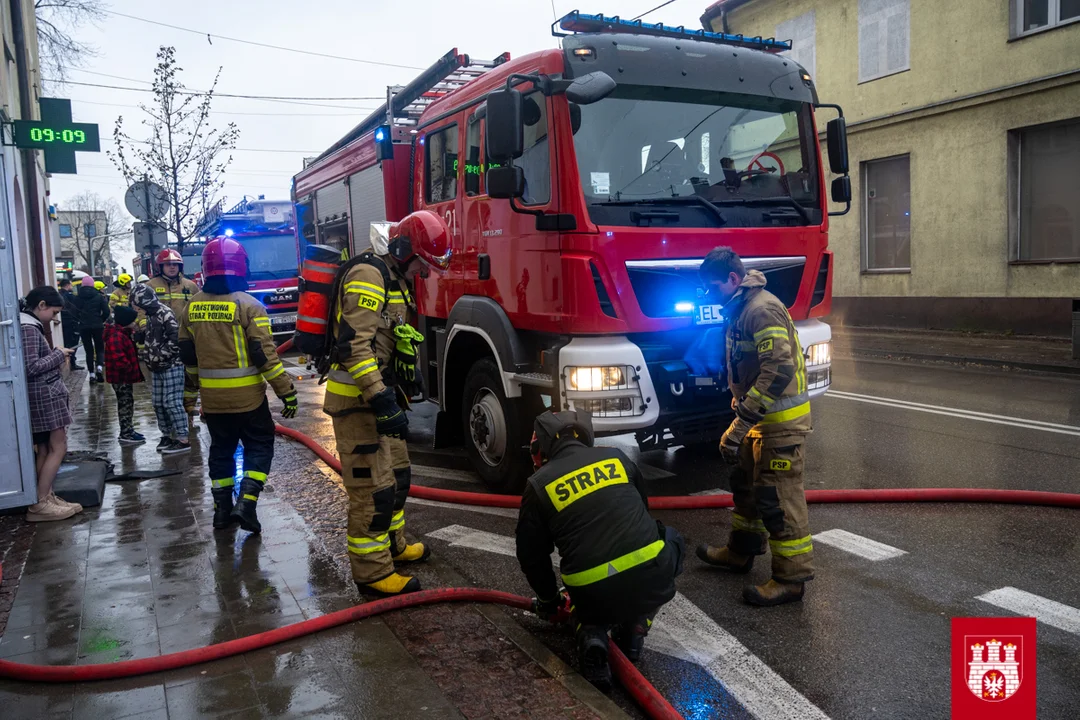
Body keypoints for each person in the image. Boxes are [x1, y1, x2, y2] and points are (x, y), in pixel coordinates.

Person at [516, 410, 683, 691]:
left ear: (541, 449)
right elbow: (642, 512)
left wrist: (548, 600)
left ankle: (591, 636)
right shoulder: (617, 458)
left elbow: (532, 556)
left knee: (589, 607)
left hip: (593, 597)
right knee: (671, 539)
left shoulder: (538, 484)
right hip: (654, 580)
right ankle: (635, 627)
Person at [695, 246, 814, 607]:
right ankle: (740, 552)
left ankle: (790, 580)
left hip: (779, 425)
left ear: (733, 279)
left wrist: (741, 422)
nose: (710, 296)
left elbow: (778, 370)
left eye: (713, 287)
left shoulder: (761, 310)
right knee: (746, 488)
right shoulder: (741, 308)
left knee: (777, 499)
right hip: (760, 421)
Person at [323, 226, 430, 596]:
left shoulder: (396, 277)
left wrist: (406, 363)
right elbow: (354, 346)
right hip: (357, 402)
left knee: (398, 476)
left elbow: (391, 332)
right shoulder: (369, 276)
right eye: (423, 263)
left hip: (381, 395)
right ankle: (372, 573)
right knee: (372, 490)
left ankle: (394, 546)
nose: (425, 272)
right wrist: (380, 397)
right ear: (402, 250)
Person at [178, 239, 297, 533]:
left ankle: (221, 512)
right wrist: (287, 393)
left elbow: (188, 359)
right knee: (259, 447)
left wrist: (189, 398)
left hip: (213, 402)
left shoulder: (191, 308)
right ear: (242, 267)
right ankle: (246, 503)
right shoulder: (250, 306)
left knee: (221, 452)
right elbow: (265, 356)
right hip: (249, 402)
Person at [20, 286, 83, 522]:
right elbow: (31, 367)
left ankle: (45, 496)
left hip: (44, 395)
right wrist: (58, 354)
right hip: (45, 396)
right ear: (42, 305)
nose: (55, 318)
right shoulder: (28, 328)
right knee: (59, 446)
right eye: (54, 312)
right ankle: (40, 503)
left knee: (46, 448)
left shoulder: (28, 324)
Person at [130, 284, 190, 455]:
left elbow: (175, 340)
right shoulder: (150, 315)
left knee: (172, 403)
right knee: (158, 403)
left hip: (171, 365)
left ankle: (183, 439)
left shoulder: (165, 313)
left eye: (137, 304)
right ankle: (167, 435)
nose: (137, 308)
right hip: (156, 367)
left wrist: (159, 356)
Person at [104, 305, 146, 446]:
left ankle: (128, 429)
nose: (135, 323)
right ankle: (126, 433)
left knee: (128, 403)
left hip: (123, 377)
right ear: (126, 321)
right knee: (125, 405)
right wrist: (129, 369)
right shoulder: (117, 336)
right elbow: (119, 359)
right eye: (133, 321)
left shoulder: (122, 333)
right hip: (121, 378)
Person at [72, 275, 109, 383]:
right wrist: (100, 320)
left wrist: (80, 320)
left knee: (88, 351)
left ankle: (92, 375)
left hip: (84, 326)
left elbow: (73, 313)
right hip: (97, 325)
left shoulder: (77, 298)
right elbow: (106, 311)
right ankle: (99, 368)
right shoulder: (99, 296)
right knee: (100, 348)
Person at [58, 279, 83, 370]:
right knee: (73, 342)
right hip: (72, 322)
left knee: (67, 342)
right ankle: (72, 362)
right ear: (67, 285)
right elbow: (76, 309)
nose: (72, 287)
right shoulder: (69, 296)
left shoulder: (59, 294)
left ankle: (70, 361)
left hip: (64, 322)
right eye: (71, 285)